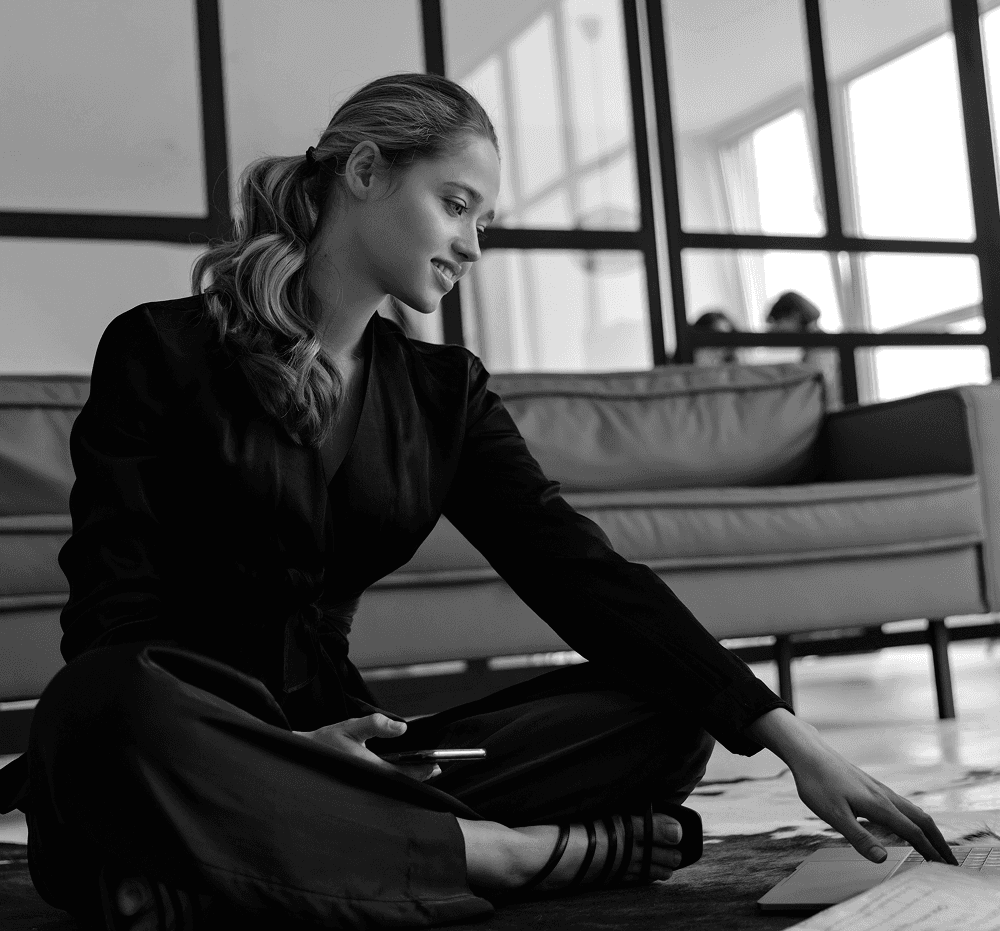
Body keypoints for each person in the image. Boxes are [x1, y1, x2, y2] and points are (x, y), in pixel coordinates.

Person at [0, 73, 954, 930]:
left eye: (484, 221)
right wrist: (285, 748)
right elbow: (111, 610)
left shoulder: (443, 391)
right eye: (456, 205)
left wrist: (790, 741)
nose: (472, 245)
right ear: (366, 171)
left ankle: (241, 866)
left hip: (366, 755)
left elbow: (577, 571)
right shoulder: (159, 349)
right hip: (188, 733)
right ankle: (493, 855)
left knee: (663, 714)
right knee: (99, 707)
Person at [765, 291, 843, 409]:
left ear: (794, 316)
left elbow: (819, 393)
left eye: (778, 321)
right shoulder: (818, 345)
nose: (775, 329)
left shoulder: (819, 349)